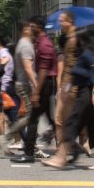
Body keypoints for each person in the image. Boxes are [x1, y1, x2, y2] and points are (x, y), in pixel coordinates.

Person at [42, 32, 94, 170]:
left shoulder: (86, 55)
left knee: (72, 123)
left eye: (72, 41)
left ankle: (61, 157)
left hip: (86, 93)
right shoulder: (77, 57)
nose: (69, 43)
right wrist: (63, 91)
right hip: (80, 91)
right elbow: (74, 79)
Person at [17, 17, 56, 163]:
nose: (30, 28)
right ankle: (70, 144)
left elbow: (44, 70)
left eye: (32, 25)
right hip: (45, 84)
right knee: (48, 119)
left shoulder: (44, 44)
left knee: (34, 119)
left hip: (45, 84)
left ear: (39, 27)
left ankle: (28, 153)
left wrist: (36, 91)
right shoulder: (39, 43)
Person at [1, 21, 37, 152]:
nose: (33, 29)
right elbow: (28, 68)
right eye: (30, 27)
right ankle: (7, 138)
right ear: (25, 30)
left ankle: (30, 144)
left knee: (27, 116)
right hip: (25, 84)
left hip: (23, 84)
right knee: (30, 116)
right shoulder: (25, 45)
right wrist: (36, 85)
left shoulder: (24, 43)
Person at [54, 11, 79, 147]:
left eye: (62, 20)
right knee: (64, 119)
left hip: (70, 88)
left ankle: (64, 149)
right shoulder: (72, 39)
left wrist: (63, 89)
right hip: (70, 87)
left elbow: (68, 69)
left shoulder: (73, 41)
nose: (60, 23)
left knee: (61, 119)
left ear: (70, 21)